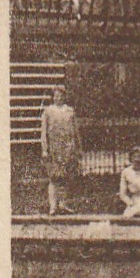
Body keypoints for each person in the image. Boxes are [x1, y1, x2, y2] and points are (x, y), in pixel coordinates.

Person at [39, 87, 80, 215]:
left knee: (65, 177)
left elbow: (76, 131)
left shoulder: (70, 111)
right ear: (53, 97)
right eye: (56, 96)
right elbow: (44, 132)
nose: (59, 98)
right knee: (54, 178)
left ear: (64, 97)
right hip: (53, 149)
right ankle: (53, 206)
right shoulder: (48, 111)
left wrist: (78, 148)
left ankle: (63, 204)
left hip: (67, 148)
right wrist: (45, 150)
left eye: (61, 96)